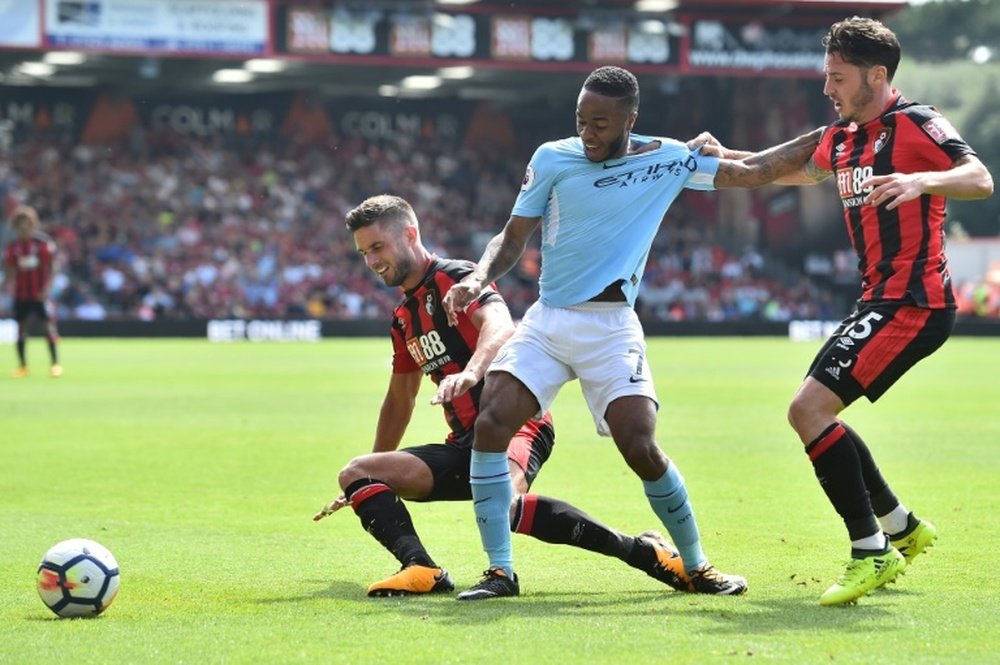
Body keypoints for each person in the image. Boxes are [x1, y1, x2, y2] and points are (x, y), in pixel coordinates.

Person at [442, 65, 824, 600]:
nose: (588, 132)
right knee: (491, 423)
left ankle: (697, 567)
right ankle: (499, 571)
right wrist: (479, 276)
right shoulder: (552, 158)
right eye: (581, 120)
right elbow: (512, 237)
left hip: (611, 327)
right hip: (549, 321)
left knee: (640, 446)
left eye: (600, 122)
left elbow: (756, 171)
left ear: (630, 120)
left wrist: (832, 133)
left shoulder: (667, 158)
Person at [712, 17, 993, 606]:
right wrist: (716, 157)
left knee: (807, 409)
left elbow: (979, 178)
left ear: (877, 75)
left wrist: (920, 180)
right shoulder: (838, 138)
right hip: (880, 301)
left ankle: (871, 552)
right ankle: (901, 528)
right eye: (826, 76)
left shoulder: (915, 123)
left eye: (837, 77)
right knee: (819, 413)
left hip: (915, 302)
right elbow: (765, 169)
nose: (827, 88)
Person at [314, 194, 693, 597]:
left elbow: (500, 325)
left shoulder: (456, 277)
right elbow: (399, 399)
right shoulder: (404, 318)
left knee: (504, 504)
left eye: (377, 247)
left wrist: (472, 372)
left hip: (515, 426)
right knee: (356, 471)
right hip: (464, 445)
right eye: (363, 253)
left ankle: (644, 553)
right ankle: (421, 568)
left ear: (409, 234)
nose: (371, 261)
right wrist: (375, 473)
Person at [4, 205, 62, 378]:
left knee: (48, 327)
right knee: (20, 330)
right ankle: (23, 366)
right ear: (16, 226)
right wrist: (5, 285)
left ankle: (55, 364)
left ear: (33, 224)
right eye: (20, 223)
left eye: (27, 223)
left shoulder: (43, 243)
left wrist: (48, 287)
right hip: (21, 294)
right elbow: (10, 270)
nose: (24, 227)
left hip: (39, 293)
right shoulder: (12, 247)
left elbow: (53, 266)